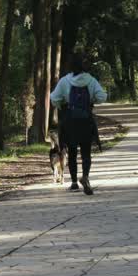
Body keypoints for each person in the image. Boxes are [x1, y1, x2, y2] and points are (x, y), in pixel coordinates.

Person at [50, 54, 108, 194]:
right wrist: (91, 100)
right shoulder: (91, 80)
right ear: (84, 67)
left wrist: (62, 105)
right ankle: (86, 177)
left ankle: (74, 182)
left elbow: (53, 98)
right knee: (86, 152)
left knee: (72, 152)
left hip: (70, 121)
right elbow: (102, 96)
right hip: (86, 120)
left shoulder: (65, 81)